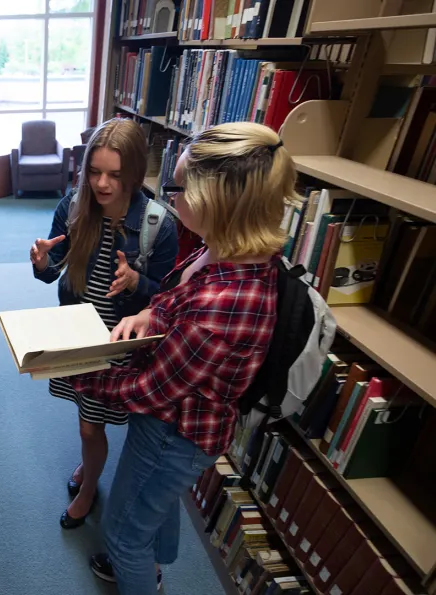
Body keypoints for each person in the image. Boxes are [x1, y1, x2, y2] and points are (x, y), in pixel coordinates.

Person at [68, 122, 302, 594]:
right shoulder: (225, 253)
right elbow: (177, 295)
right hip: (178, 420)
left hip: (175, 433)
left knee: (122, 533)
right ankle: (154, 568)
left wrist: (74, 373)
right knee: (156, 502)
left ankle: (138, 568)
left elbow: (148, 390)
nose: (168, 194)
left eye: (179, 187)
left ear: (219, 201)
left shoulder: (225, 305)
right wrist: (151, 313)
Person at [30, 118, 179, 529]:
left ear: (133, 173)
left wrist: (136, 282)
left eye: (114, 175)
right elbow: (54, 268)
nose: (102, 184)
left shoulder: (159, 225)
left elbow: (167, 300)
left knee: (90, 426)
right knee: (87, 420)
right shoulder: (73, 207)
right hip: (77, 335)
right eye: (94, 172)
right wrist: (42, 263)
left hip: (116, 344)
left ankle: (90, 484)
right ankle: (90, 468)